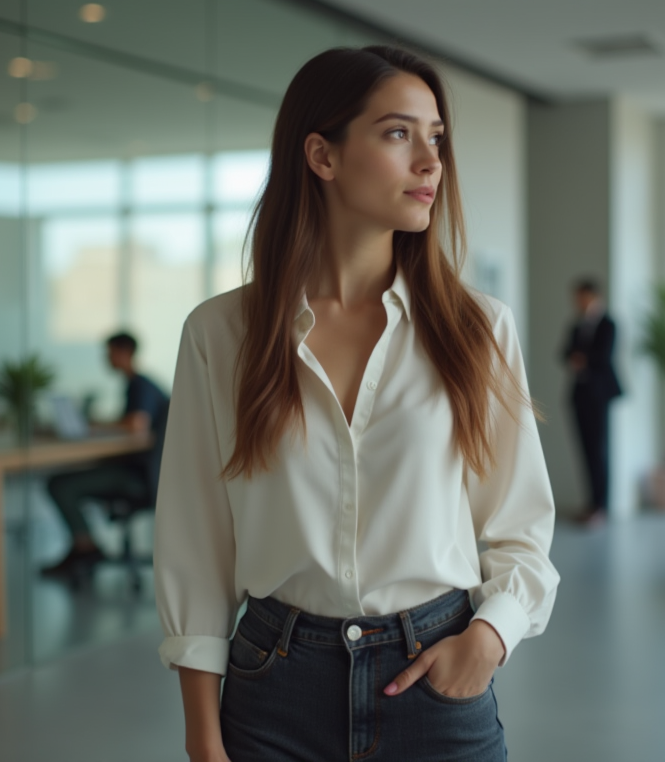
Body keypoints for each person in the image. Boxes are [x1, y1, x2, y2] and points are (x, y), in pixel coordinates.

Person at [154, 46, 558, 762]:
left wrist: (487, 640)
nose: (431, 162)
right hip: (272, 688)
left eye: (436, 137)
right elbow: (196, 545)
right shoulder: (221, 334)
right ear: (323, 155)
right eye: (399, 133)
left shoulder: (477, 329)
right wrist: (202, 736)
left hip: (435, 678)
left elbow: (521, 526)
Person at [40, 332, 169, 576]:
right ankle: (83, 546)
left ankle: (85, 547)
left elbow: (136, 424)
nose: (106, 359)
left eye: (109, 353)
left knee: (59, 484)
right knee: (67, 480)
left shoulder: (140, 385)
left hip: (139, 477)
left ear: (124, 353)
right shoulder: (140, 384)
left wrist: (93, 428)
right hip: (148, 473)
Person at [561, 277, 622, 525]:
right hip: (579, 395)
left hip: (599, 396)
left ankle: (601, 506)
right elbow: (564, 353)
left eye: (582, 297)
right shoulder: (576, 325)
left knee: (599, 450)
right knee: (585, 450)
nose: (578, 302)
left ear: (593, 297)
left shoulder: (608, 324)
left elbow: (604, 357)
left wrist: (582, 357)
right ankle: (590, 504)